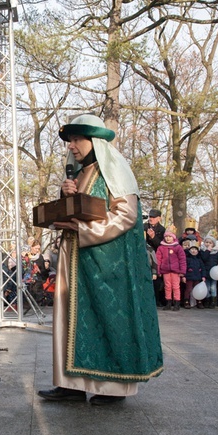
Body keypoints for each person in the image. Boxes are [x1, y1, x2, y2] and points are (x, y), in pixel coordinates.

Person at [37, 114, 163, 405]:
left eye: (76, 140)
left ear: (94, 140)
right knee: (74, 321)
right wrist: (66, 194)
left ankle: (115, 388)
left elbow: (126, 216)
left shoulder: (114, 169)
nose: (72, 147)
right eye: (69, 142)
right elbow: (81, 209)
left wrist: (83, 229)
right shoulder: (82, 173)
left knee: (109, 321)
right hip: (78, 261)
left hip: (108, 264)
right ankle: (72, 385)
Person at [156, 231, 186, 311]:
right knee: (167, 287)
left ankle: (177, 303)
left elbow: (182, 260)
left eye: (170, 236)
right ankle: (168, 303)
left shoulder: (178, 247)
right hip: (166, 271)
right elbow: (158, 260)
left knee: (176, 287)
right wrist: (158, 271)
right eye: (166, 236)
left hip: (176, 271)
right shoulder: (161, 247)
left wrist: (182, 271)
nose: (168, 238)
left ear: (174, 237)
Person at [200, 235, 218, 308]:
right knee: (207, 287)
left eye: (210, 243)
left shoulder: (216, 252)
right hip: (206, 272)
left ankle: (213, 301)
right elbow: (204, 259)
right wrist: (208, 251)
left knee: (213, 287)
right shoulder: (203, 251)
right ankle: (207, 299)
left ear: (213, 244)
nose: (208, 244)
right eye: (206, 242)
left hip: (214, 273)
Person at [183, 240, 206, 309]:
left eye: (195, 249)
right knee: (188, 289)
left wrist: (203, 276)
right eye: (192, 249)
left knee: (198, 290)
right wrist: (184, 276)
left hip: (197, 277)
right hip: (189, 277)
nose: (194, 251)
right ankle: (186, 301)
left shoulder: (199, 260)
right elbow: (184, 268)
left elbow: (203, 268)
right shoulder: (187, 259)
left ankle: (199, 301)